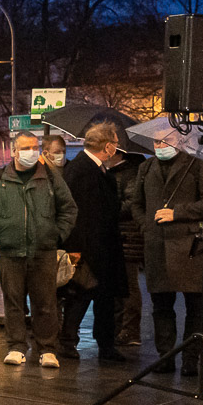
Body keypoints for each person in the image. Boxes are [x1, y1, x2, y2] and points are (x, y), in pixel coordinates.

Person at [0, 131, 77, 367]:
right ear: (13, 151)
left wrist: (57, 235)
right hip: (9, 252)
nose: (31, 152)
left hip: (43, 251)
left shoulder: (49, 177)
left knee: (46, 302)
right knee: (13, 302)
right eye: (25, 147)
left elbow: (69, 208)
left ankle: (47, 348)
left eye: (34, 146)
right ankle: (16, 346)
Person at [134, 139, 203, 375]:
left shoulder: (197, 165)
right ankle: (165, 357)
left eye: (165, 140)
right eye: (155, 141)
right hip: (156, 244)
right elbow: (137, 204)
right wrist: (146, 226)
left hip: (190, 246)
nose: (159, 145)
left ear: (179, 141)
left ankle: (190, 360)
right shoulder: (146, 168)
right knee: (161, 305)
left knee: (194, 305)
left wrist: (177, 213)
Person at [59, 123, 128, 364]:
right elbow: (78, 214)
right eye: (116, 143)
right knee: (81, 294)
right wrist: (77, 249)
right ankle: (68, 342)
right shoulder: (81, 170)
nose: (117, 148)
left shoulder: (96, 169)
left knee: (102, 297)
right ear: (107, 146)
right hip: (89, 248)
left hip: (102, 247)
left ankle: (105, 345)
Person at [106, 143, 148, 346]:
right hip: (119, 235)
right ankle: (119, 327)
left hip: (128, 236)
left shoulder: (130, 173)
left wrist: (108, 209)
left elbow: (131, 204)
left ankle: (131, 330)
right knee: (119, 285)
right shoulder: (114, 172)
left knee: (129, 285)